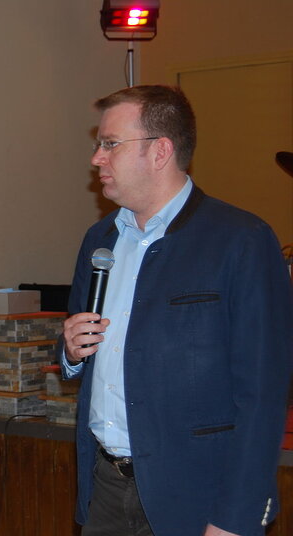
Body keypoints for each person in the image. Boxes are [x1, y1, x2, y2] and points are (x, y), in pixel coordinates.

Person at [59, 85, 293, 536]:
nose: (97, 158)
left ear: (160, 151)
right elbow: (82, 346)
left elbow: (262, 395)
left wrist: (234, 517)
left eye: (110, 144)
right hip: (106, 489)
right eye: (98, 145)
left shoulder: (240, 241)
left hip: (198, 495)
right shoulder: (100, 240)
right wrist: (70, 349)